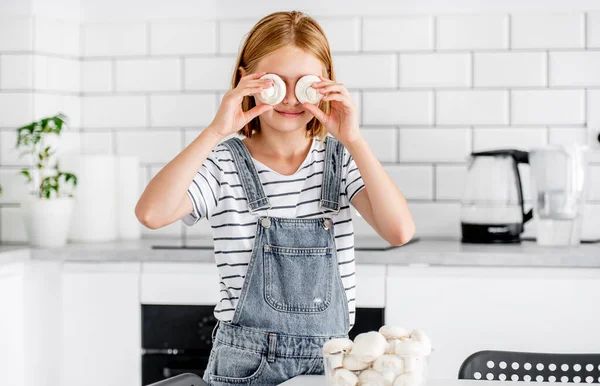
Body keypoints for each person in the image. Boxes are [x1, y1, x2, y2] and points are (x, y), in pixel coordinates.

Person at [135, 10, 415, 386]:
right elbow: (152, 213)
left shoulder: (342, 161)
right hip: (244, 365)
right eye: (275, 83)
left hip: (331, 364)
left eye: (304, 84)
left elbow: (399, 231)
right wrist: (217, 129)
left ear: (326, 85)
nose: (289, 98)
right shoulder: (223, 163)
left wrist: (355, 140)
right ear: (245, 82)